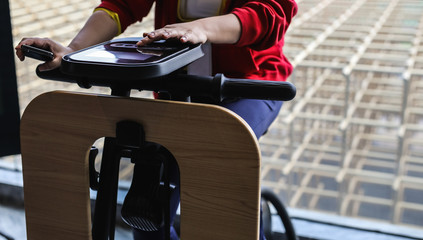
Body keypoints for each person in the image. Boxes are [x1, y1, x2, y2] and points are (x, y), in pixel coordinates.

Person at [16, 0, 298, 239]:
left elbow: (271, 12)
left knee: (223, 178)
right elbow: (123, 4)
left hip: (247, 85)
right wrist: (73, 50)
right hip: (177, 87)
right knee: (147, 210)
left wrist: (200, 28)